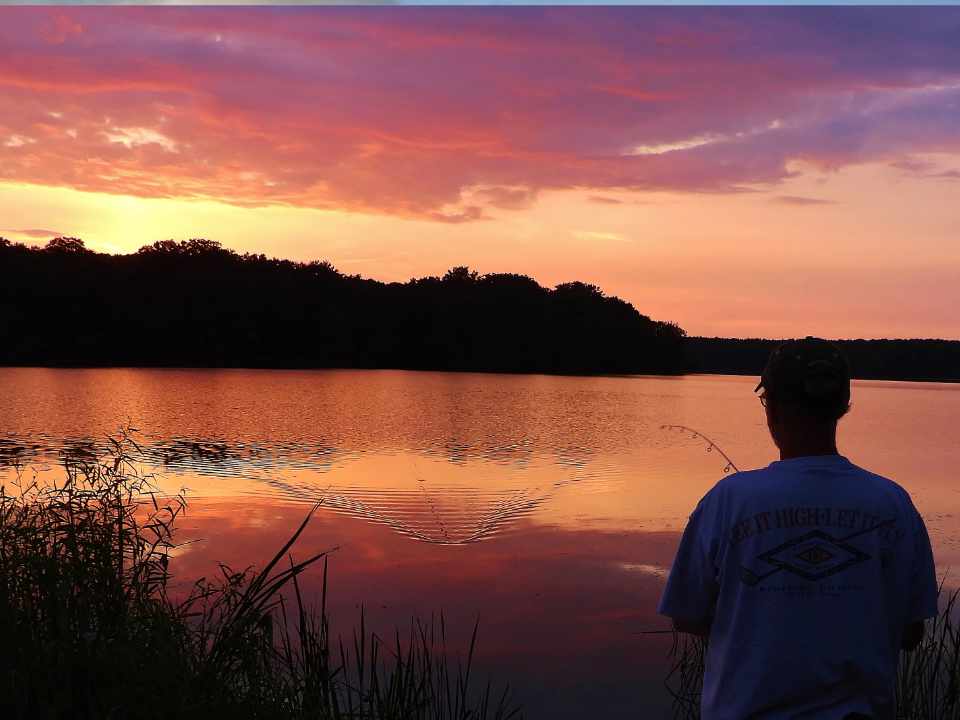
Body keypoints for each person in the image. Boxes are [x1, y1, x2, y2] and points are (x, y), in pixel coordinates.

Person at [658, 337, 938, 719]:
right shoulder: (893, 504)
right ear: (843, 406)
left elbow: (687, 615)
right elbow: (910, 631)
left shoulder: (728, 500)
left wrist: (763, 626)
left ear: (771, 406)